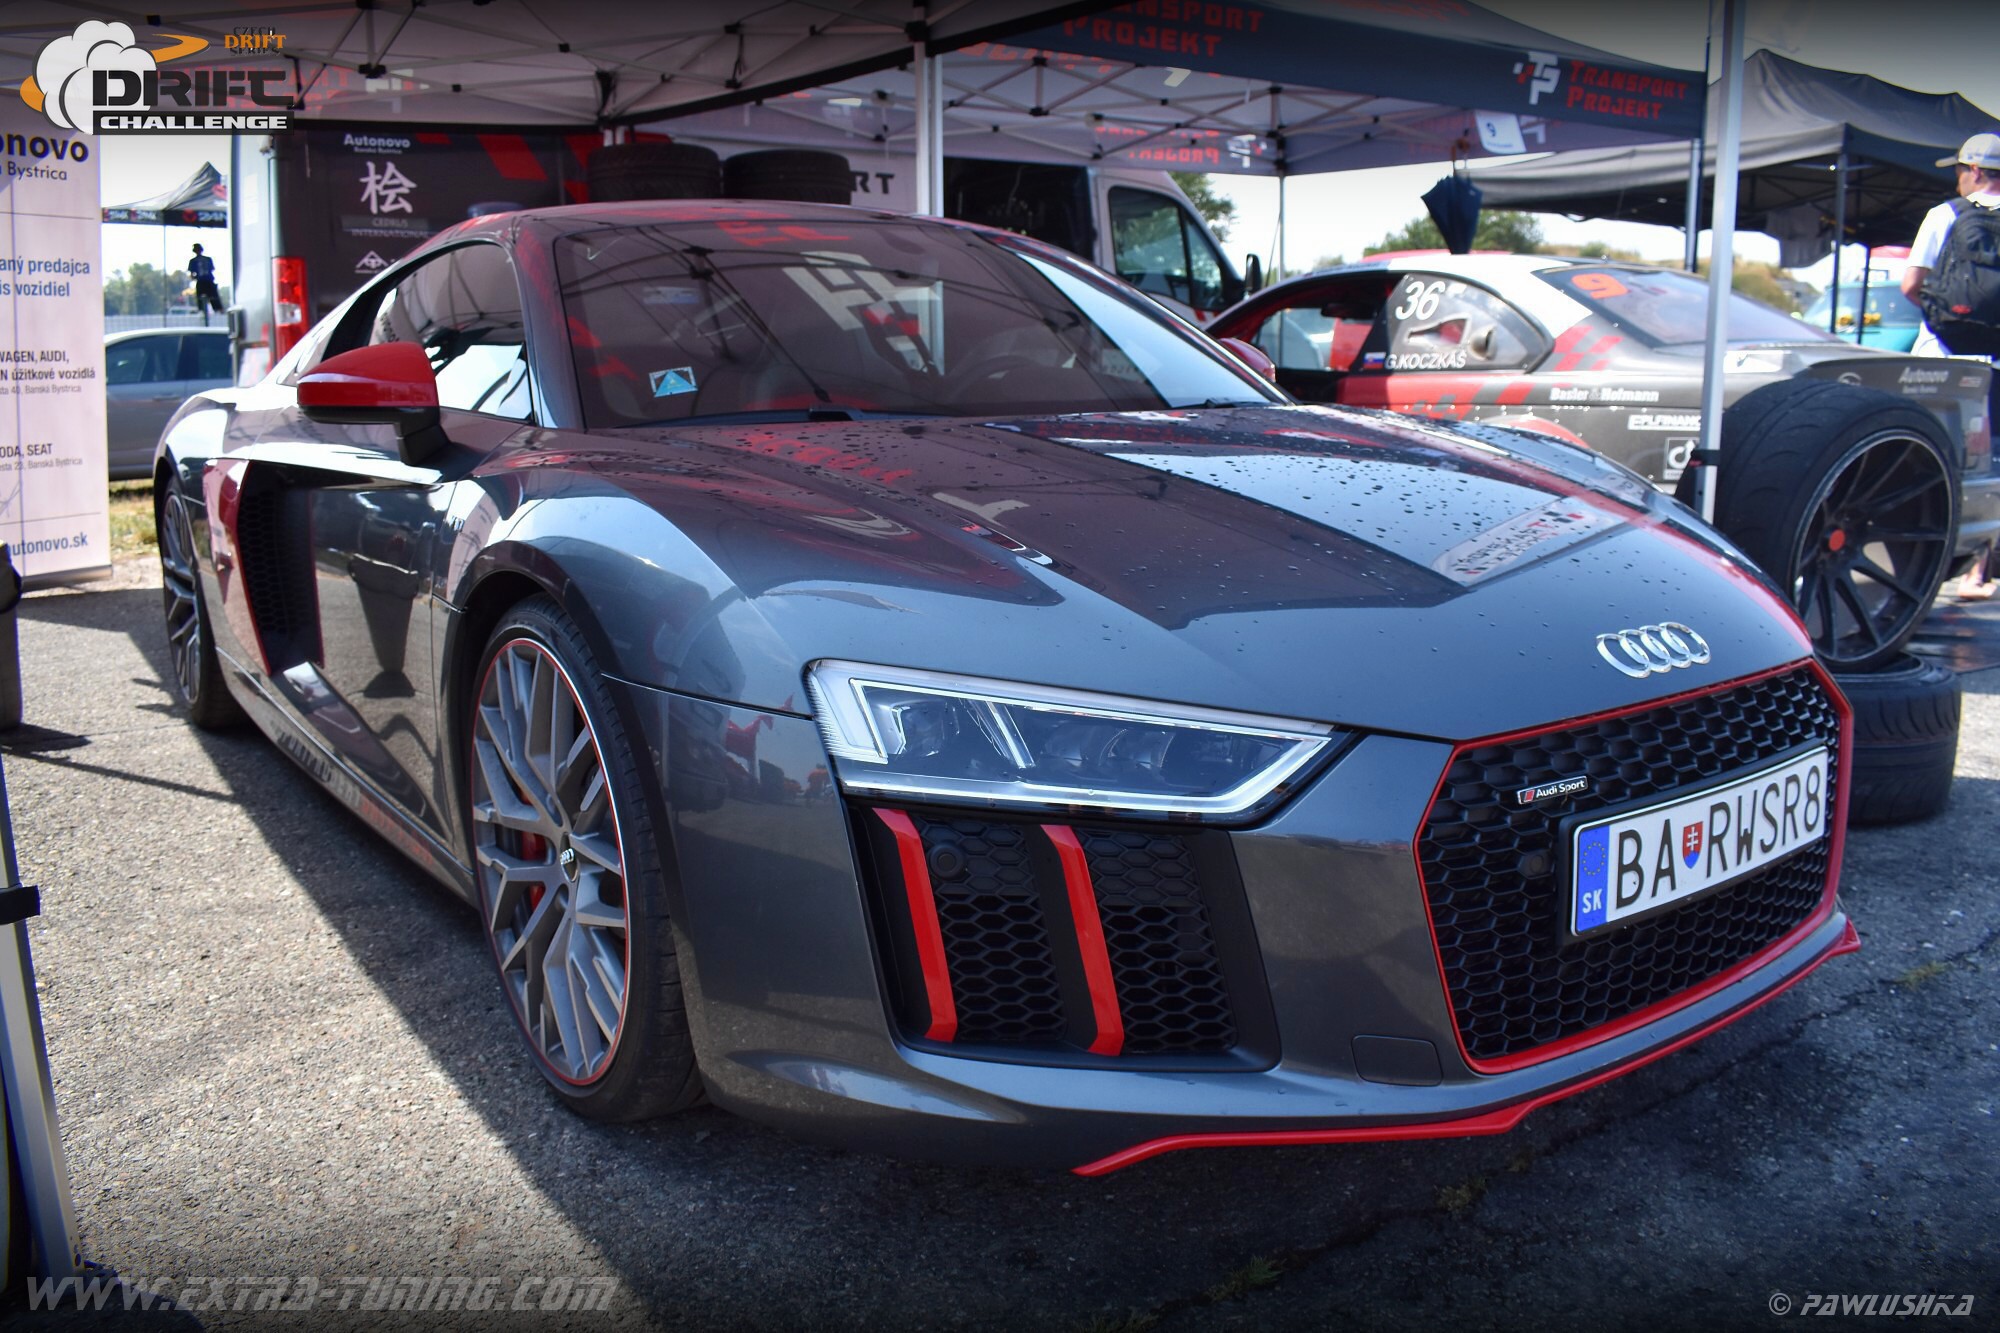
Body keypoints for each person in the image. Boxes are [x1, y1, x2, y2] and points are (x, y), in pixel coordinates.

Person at [1903, 133, 2000, 598]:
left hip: (1942, 361)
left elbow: (1910, 285)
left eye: (1960, 170)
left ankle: (1918, 567)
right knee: (1991, 463)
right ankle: (1979, 572)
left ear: (1975, 171)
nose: (1958, 178)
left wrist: (1946, 318)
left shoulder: (1945, 214)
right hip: (1995, 364)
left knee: (1929, 461)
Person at [188, 243, 222, 325]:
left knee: (203, 298)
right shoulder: (207, 259)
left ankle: (205, 312)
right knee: (213, 298)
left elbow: (192, 274)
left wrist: (194, 277)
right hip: (208, 281)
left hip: (202, 282)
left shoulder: (193, 261)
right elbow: (212, 269)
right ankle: (216, 311)